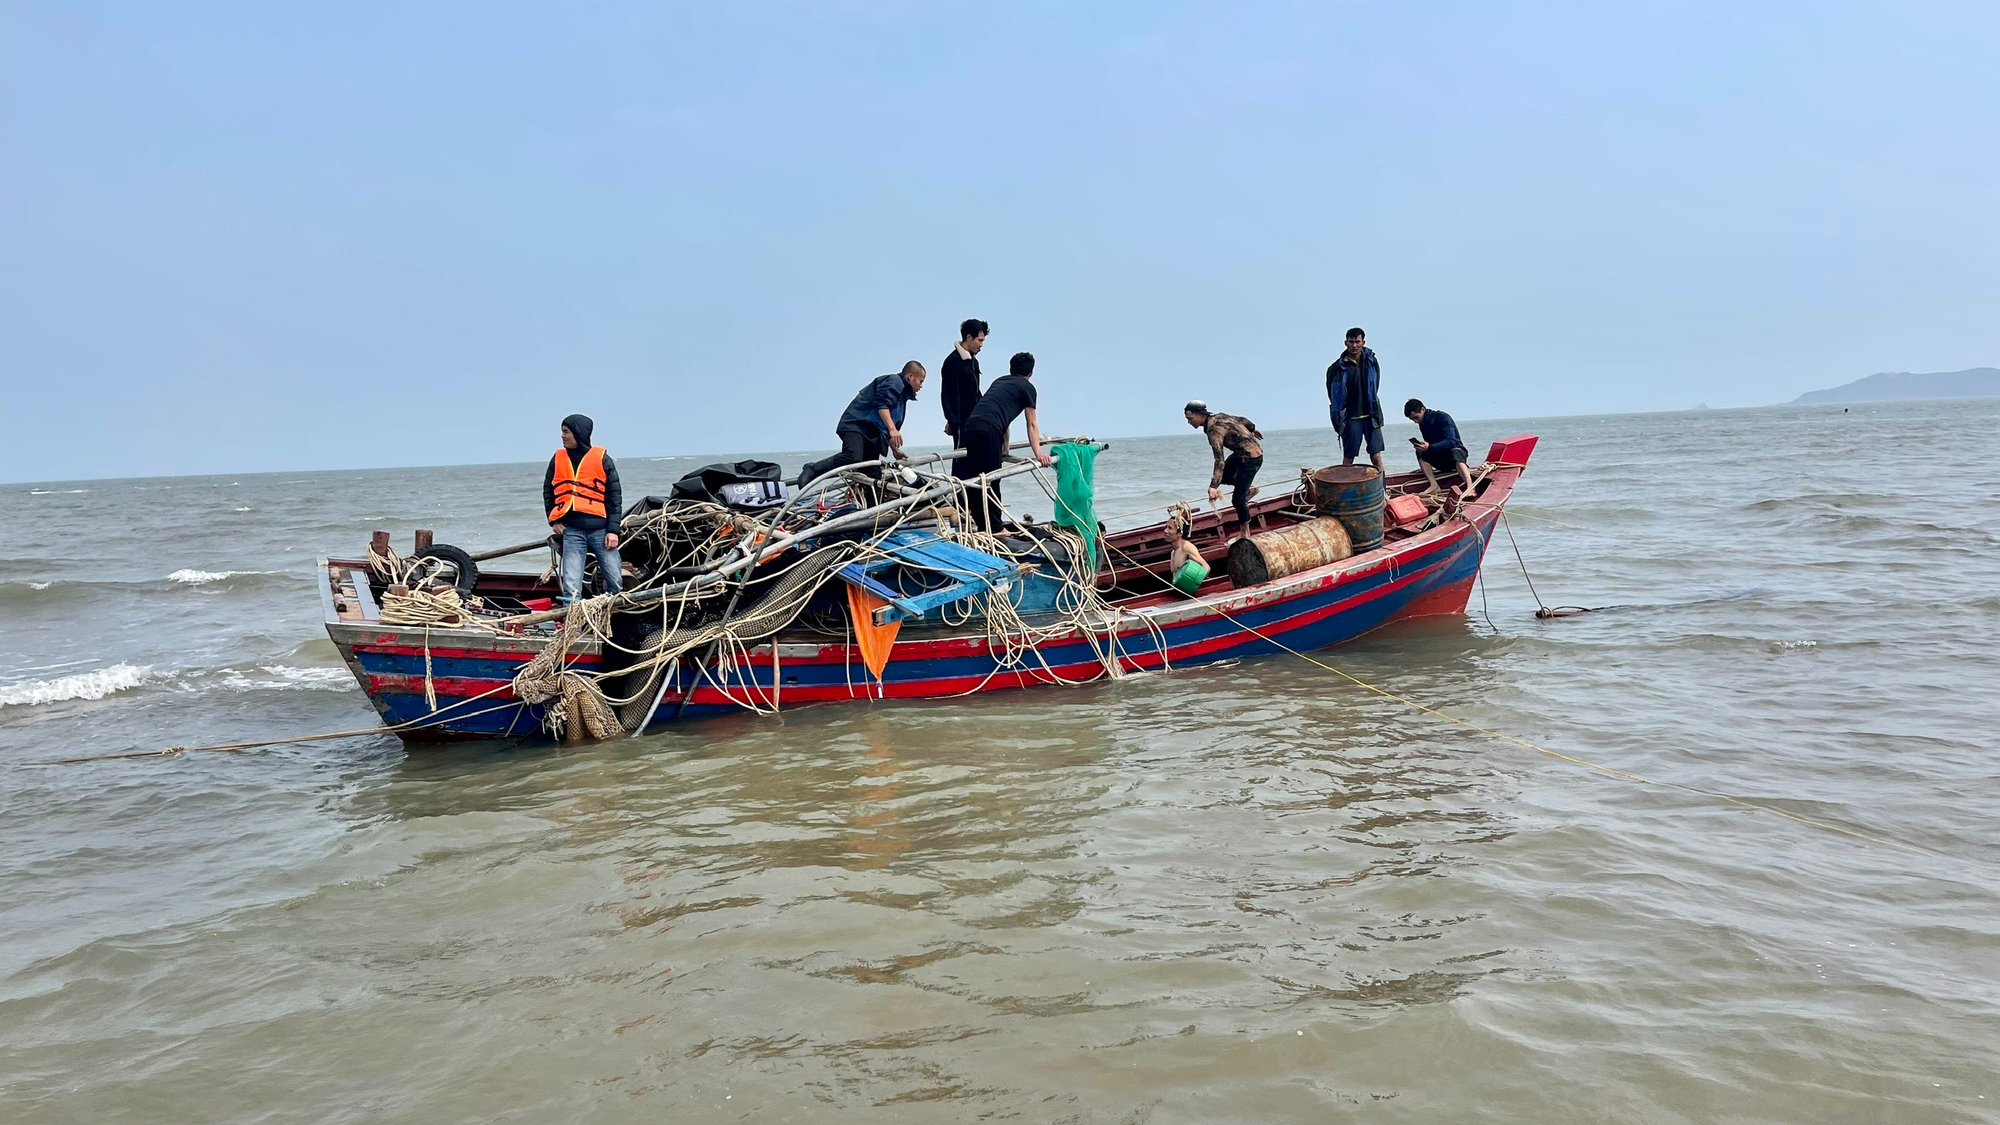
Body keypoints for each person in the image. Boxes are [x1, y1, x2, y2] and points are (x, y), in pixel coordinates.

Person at [955, 351, 1052, 528]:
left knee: (976, 479)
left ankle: (983, 524)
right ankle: (995, 528)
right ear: (1030, 373)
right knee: (992, 479)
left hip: (971, 426)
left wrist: (1004, 449)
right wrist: (1039, 454)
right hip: (989, 429)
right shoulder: (1027, 387)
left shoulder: (1000, 382)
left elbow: (1003, 418)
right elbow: (1031, 423)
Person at [798, 361, 926, 486]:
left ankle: (875, 506)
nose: (921, 386)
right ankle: (813, 468)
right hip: (857, 424)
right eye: (921, 381)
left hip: (873, 433)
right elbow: (882, 404)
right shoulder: (895, 381)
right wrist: (893, 429)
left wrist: (894, 449)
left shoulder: (902, 398)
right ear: (910, 377)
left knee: (872, 471)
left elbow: (889, 427)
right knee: (852, 456)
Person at [544, 413, 624, 603]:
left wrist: (613, 531)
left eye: (566, 432)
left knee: (614, 579)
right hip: (573, 531)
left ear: (578, 433)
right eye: (562, 432)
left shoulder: (603, 459)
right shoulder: (557, 459)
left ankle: (613, 620)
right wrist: (554, 520)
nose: (562, 436)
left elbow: (614, 497)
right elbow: (548, 491)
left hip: (601, 530)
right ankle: (574, 627)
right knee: (571, 586)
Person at [1182, 400, 1264, 528]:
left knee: (1238, 500)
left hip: (1251, 459)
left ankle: (1245, 534)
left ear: (1200, 414)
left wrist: (1213, 486)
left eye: (1190, 418)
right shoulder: (1219, 416)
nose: (1189, 422)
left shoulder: (1212, 430)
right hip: (1241, 455)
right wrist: (1252, 429)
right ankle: (1249, 488)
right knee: (1223, 478)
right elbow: (1242, 420)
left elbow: (1219, 459)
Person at [1325, 327, 1387, 476]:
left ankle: (1383, 489)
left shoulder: (1371, 361)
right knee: (1348, 459)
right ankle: (1344, 492)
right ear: (1345, 342)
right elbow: (1332, 395)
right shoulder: (1336, 368)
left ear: (1363, 342)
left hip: (1371, 415)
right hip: (1351, 418)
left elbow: (1376, 384)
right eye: (1351, 342)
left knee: (1376, 456)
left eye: (1357, 342)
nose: (1354, 345)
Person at [939, 319, 988, 477]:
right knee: (960, 458)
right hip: (960, 421)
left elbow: (976, 391)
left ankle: (973, 496)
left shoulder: (974, 361)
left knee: (974, 458)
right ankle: (959, 496)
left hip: (974, 419)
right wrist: (952, 421)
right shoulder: (952, 362)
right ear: (968, 337)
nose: (981, 345)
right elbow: (948, 394)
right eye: (979, 340)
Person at [1403, 398, 1478, 496]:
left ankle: (1470, 486)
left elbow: (1451, 441)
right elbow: (1430, 446)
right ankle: (1434, 485)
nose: (1416, 421)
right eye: (1412, 419)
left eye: (1416, 417)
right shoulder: (1422, 424)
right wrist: (1424, 447)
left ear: (1422, 409)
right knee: (1420, 452)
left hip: (1455, 456)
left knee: (1455, 451)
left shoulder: (1442, 417)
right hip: (1440, 458)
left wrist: (1430, 447)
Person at [1162, 509, 1209, 595]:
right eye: (1166, 527)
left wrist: (1193, 586)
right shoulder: (1173, 553)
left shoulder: (1187, 547)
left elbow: (1206, 567)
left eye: (1170, 528)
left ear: (1179, 533)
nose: (1165, 531)